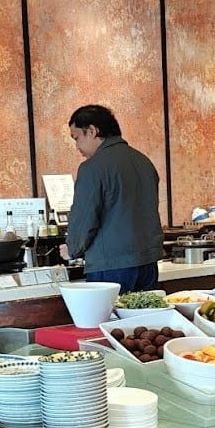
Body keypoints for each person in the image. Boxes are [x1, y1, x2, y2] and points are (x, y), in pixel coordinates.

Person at [66, 104, 164, 294]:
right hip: (148, 263)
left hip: (110, 265)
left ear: (93, 131)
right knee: (145, 320)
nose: (77, 146)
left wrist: (72, 249)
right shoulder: (143, 161)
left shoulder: (92, 168)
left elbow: (84, 219)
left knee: (110, 323)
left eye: (77, 138)